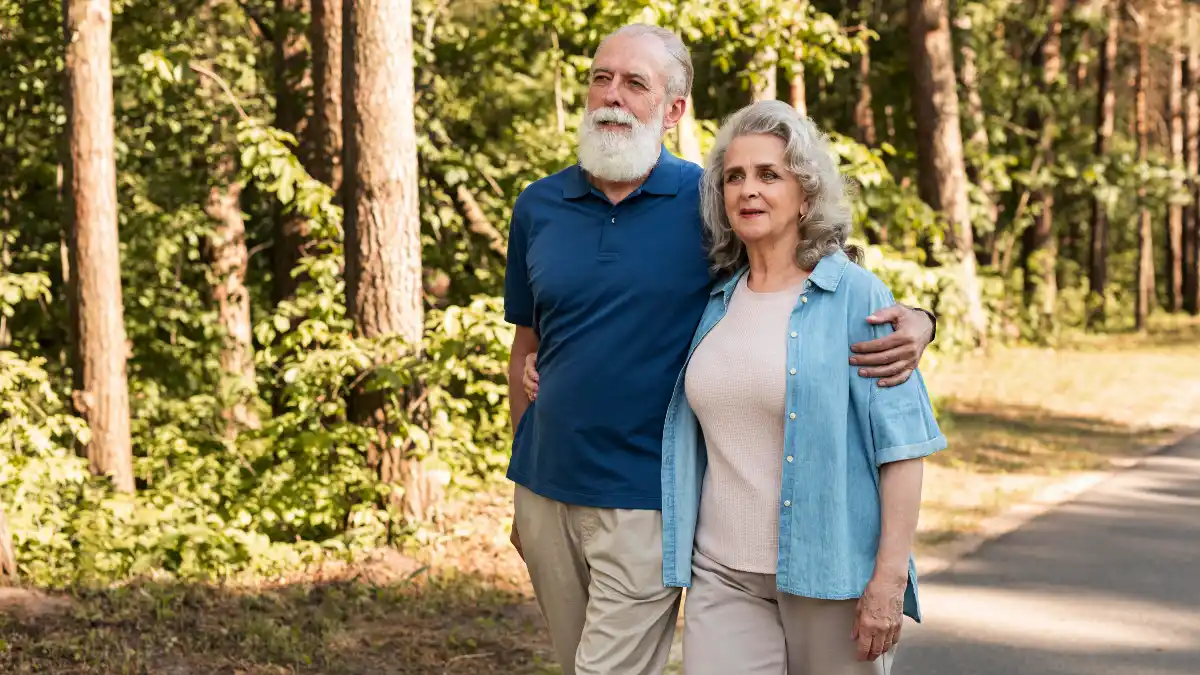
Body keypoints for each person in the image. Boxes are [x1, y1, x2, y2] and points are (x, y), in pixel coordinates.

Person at [504, 25, 937, 675]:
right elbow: (527, 348)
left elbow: (820, 282)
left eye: (635, 82)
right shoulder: (543, 208)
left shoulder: (706, 206)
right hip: (591, 512)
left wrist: (924, 320)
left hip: (654, 501)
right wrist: (521, 476)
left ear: (674, 109)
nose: (612, 95)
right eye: (601, 77)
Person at [657, 99, 946, 675]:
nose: (749, 190)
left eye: (769, 175)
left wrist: (888, 580)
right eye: (734, 177)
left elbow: (903, 451)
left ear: (806, 193)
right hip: (721, 574)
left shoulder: (856, 297)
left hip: (830, 575)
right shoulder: (713, 300)